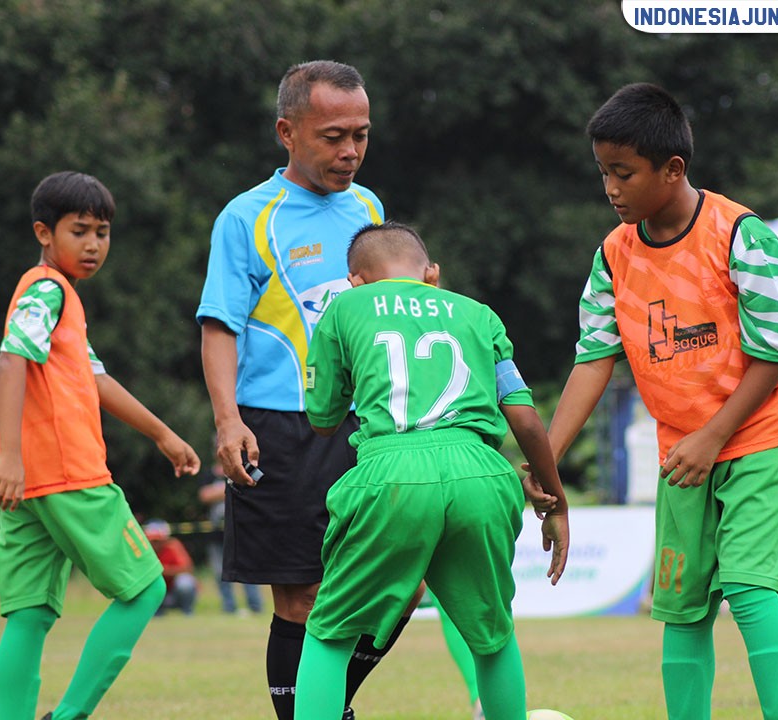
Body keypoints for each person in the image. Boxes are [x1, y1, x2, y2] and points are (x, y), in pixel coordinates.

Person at [543, 83, 778, 720]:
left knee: (748, 589)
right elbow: (592, 359)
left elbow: (775, 349)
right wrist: (546, 460)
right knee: (682, 604)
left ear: (673, 170)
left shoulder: (740, 235)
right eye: (603, 172)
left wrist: (715, 436)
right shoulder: (613, 256)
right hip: (684, 449)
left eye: (624, 173)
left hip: (761, 433)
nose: (610, 188)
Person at [294, 221, 569, 720]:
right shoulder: (478, 313)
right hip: (481, 472)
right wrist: (555, 499)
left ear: (355, 280)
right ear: (433, 273)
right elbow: (526, 418)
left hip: (392, 472)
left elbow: (322, 419)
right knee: (492, 635)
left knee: (329, 632)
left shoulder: (344, 307)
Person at [197, 60, 404, 720]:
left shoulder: (370, 208)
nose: (350, 151)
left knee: (401, 583)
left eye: (362, 135)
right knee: (302, 601)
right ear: (288, 131)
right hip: (276, 427)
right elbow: (219, 326)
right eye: (333, 135)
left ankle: (323, 707)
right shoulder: (244, 217)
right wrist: (228, 421)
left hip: (363, 427)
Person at [0, 171, 201, 720]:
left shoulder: (61, 303)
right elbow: (13, 357)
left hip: (29, 483)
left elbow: (96, 378)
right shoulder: (47, 289)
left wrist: (162, 434)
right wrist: (8, 454)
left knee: (30, 615)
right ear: (44, 232)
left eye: (102, 233)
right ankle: (68, 716)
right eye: (78, 230)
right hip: (67, 473)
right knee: (147, 589)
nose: (92, 245)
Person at [198, 461, 263, 614]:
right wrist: (231, 486)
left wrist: (219, 490)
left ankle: (255, 606)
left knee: (248, 569)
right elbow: (204, 495)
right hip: (216, 535)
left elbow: (251, 488)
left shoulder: (245, 467)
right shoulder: (209, 474)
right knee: (219, 572)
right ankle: (229, 607)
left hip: (242, 530)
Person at [144, 519, 199, 615]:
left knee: (185, 581)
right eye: (152, 541)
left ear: (165, 539)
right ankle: (155, 613)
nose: (155, 544)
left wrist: (160, 570)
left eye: (158, 541)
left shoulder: (173, 546)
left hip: (173, 592)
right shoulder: (143, 550)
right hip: (156, 594)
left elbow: (187, 569)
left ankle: (187, 612)